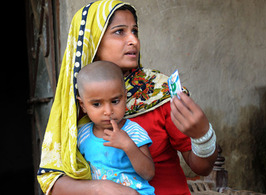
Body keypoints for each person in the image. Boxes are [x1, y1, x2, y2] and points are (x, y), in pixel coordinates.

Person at [37, 1, 218, 194]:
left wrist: (203, 137)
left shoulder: (159, 92)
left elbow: (202, 167)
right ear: (93, 40)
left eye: (135, 31)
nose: (133, 40)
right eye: (119, 32)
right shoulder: (75, 104)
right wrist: (102, 188)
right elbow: (52, 181)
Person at [76, 61, 155, 194]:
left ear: (125, 96)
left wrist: (128, 146)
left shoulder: (132, 131)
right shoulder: (82, 135)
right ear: (82, 105)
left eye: (115, 101)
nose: (108, 111)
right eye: (97, 104)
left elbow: (149, 174)